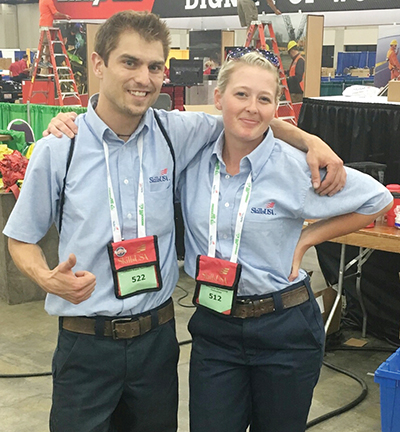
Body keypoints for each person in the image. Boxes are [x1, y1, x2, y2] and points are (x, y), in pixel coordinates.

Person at [7, 10, 344, 432]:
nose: (143, 78)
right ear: (99, 64)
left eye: (154, 67)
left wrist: (310, 140)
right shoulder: (61, 149)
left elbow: (249, 116)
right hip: (86, 343)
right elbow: (20, 239)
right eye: (129, 62)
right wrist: (45, 278)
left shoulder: (177, 132)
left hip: (157, 342)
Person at [176, 48, 393, 432]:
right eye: (241, 94)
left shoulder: (295, 167)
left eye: (264, 99)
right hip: (215, 327)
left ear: (276, 106)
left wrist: (310, 236)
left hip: (284, 329)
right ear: (218, 97)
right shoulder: (192, 158)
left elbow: (377, 199)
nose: (252, 108)